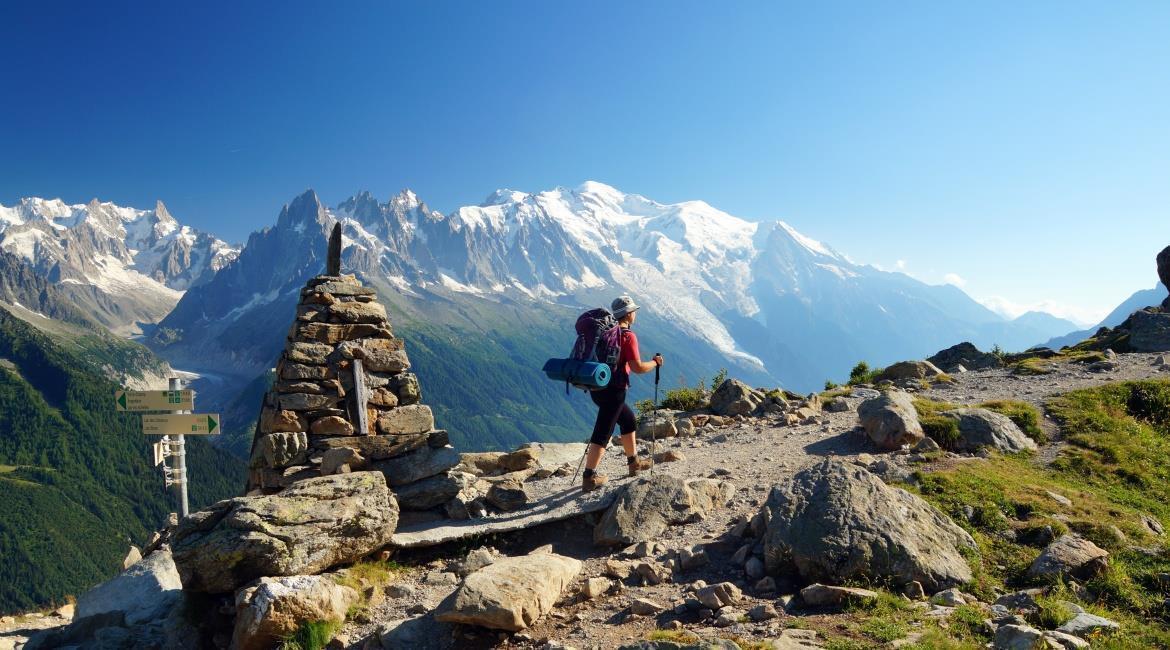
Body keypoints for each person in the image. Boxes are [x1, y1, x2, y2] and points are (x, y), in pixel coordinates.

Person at [582, 295, 664, 491]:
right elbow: (637, 367)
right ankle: (589, 478)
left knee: (628, 420)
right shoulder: (627, 336)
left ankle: (633, 462)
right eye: (634, 311)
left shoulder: (603, 332)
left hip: (596, 386)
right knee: (604, 432)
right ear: (628, 314)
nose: (635, 314)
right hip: (615, 390)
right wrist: (655, 362)